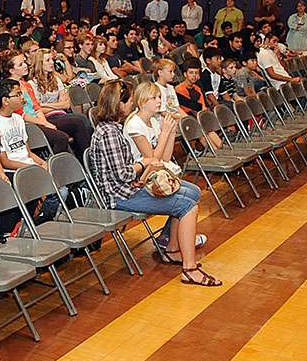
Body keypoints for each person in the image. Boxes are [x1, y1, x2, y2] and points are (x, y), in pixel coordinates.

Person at [88, 81, 219, 286]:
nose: (132, 105)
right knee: (187, 205)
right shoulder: (109, 133)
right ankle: (189, 269)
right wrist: (143, 162)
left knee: (189, 196)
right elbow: (123, 174)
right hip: (119, 196)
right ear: (119, 104)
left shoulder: (111, 129)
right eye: (130, 101)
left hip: (129, 188)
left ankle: (173, 250)